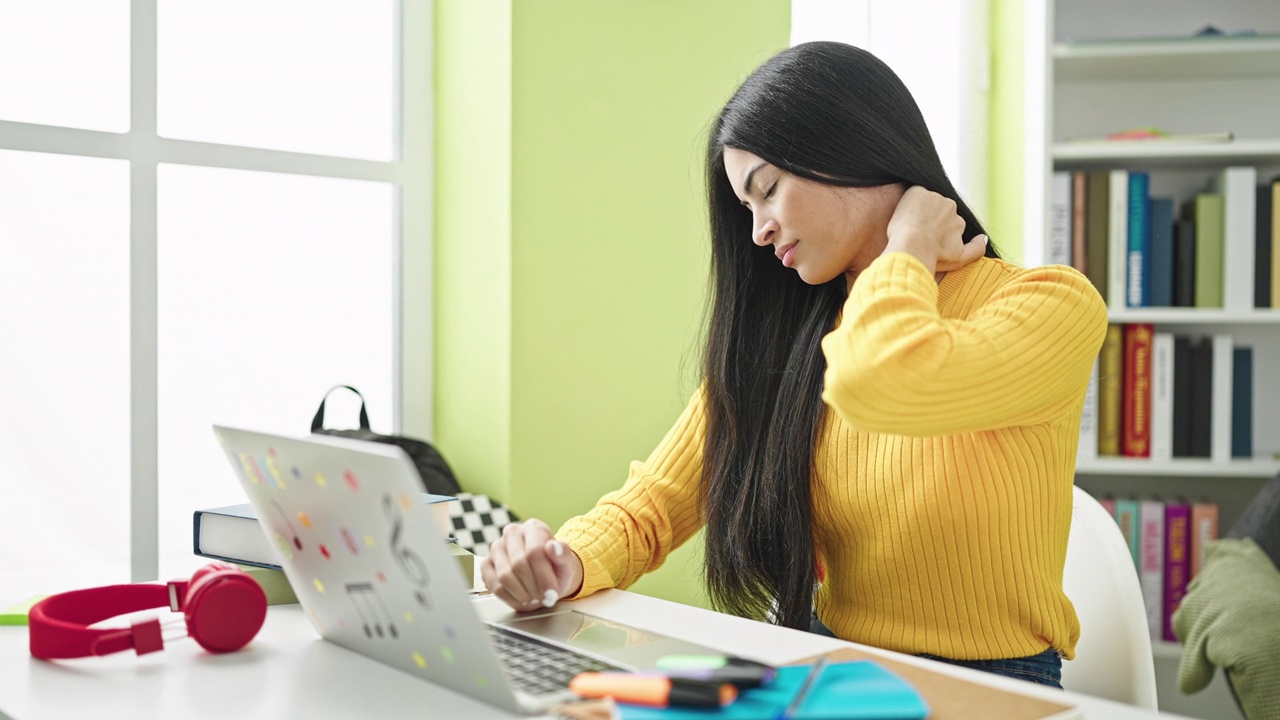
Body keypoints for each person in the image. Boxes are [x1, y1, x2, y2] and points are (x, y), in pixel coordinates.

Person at [479, 41, 1107, 689]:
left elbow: (880, 381)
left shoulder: (1047, 302)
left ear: (851, 147)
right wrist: (558, 562)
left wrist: (910, 244)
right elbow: (654, 505)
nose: (758, 231)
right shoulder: (790, 335)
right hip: (825, 667)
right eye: (746, 209)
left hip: (990, 685)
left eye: (768, 192)